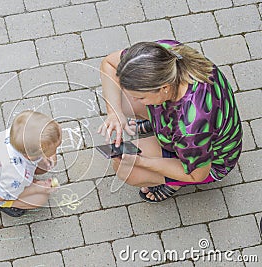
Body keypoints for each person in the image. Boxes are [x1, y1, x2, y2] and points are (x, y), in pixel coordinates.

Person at [98, 40, 242, 203]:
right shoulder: (165, 55)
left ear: (164, 87)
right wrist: (114, 113)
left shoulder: (191, 127)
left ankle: (175, 183)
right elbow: (109, 63)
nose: (134, 99)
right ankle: (158, 125)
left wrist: (142, 162)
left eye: (141, 96)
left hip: (207, 161)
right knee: (121, 100)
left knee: (127, 169)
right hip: (187, 132)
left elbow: (197, 174)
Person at [0, 110, 62, 216]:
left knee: (45, 166)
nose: (56, 151)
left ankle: (27, 183)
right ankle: (8, 205)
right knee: (40, 198)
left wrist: (47, 155)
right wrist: (37, 188)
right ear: (31, 156)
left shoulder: (19, 134)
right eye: (55, 149)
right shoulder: (16, 175)